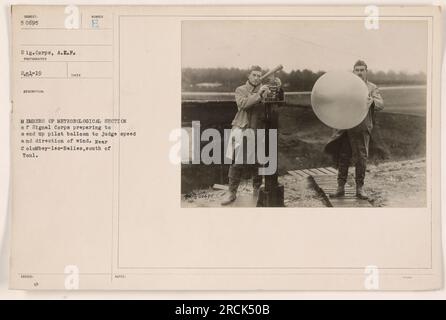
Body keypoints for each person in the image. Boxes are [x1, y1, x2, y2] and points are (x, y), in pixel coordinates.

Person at [324, 60, 384, 199]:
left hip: (361, 128)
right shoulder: (347, 87)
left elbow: (381, 104)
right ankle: (340, 188)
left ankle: (360, 189)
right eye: (357, 70)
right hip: (346, 127)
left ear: (366, 71)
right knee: (343, 157)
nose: (360, 72)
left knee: (361, 158)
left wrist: (372, 102)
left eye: (362, 70)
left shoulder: (372, 87)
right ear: (353, 72)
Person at [221, 66, 270, 206]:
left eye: (259, 75)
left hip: (258, 130)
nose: (256, 78)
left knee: (258, 161)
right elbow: (243, 104)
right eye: (254, 75)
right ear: (248, 76)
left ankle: (256, 189)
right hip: (242, 129)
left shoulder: (265, 90)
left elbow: (271, 107)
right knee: (238, 161)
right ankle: (231, 192)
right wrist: (259, 95)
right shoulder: (240, 90)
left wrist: (268, 94)